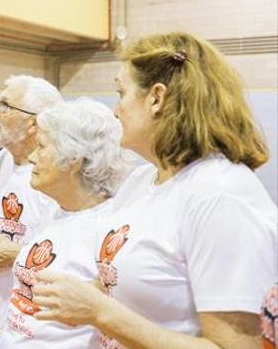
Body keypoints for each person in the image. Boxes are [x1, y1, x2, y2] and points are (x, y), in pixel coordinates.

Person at [30, 32, 278, 348]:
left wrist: (101, 313)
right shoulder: (142, 181)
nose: (115, 110)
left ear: (156, 98)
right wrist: (84, 295)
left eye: (121, 93)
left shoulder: (220, 194)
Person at [0, 98, 126, 348]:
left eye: (42, 147)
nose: (33, 157)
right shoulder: (56, 212)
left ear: (73, 159)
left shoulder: (107, 233)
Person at [0, 75, 63, 349]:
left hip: (42, 328)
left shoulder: (59, 173)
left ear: (33, 123)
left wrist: (15, 254)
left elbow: (70, 253)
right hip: (2, 315)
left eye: (5, 105)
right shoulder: (3, 159)